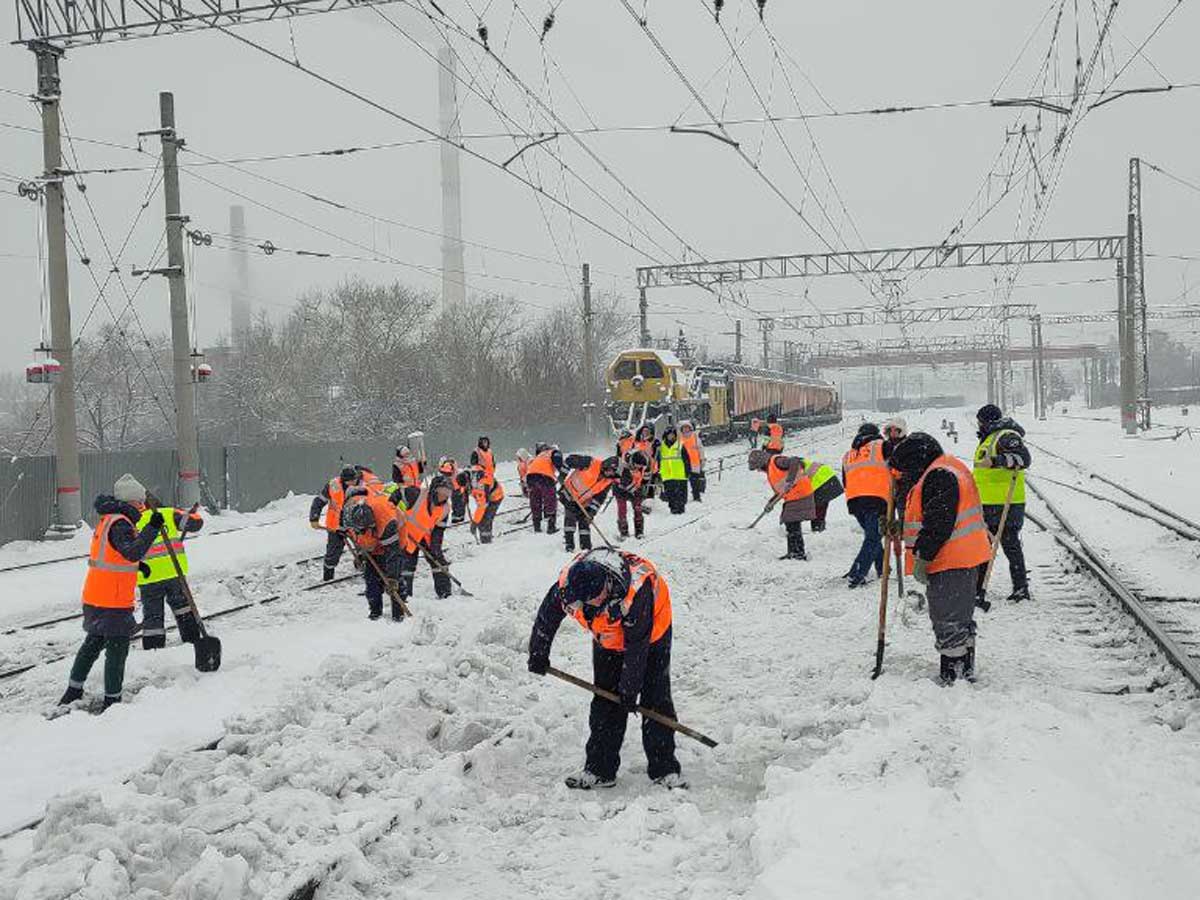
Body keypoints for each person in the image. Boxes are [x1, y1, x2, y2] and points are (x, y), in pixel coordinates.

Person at [527, 548, 685, 790]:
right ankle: (600, 769)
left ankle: (664, 769)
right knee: (605, 698)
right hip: (608, 638)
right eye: (584, 601)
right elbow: (548, 614)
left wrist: (629, 691)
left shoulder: (636, 592)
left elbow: (637, 649)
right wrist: (538, 651)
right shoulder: (569, 586)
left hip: (651, 634)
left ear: (607, 585)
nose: (589, 604)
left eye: (594, 598)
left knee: (655, 697)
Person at [889, 433, 992, 684]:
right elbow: (927, 517)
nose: (904, 477)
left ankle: (954, 676)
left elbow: (938, 523)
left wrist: (923, 557)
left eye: (905, 471)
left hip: (952, 559)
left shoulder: (938, 476)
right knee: (958, 617)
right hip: (964, 556)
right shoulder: (944, 468)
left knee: (948, 619)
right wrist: (899, 528)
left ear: (915, 462)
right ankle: (963, 668)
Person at [59, 474, 164, 711]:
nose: (143, 505)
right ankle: (112, 701)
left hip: (96, 595)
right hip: (113, 600)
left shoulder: (109, 519)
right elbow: (132, 551)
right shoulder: (121, 523)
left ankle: (73, 690)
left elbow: (114, 556)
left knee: (93, 643)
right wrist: (152, 529)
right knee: (117, 650)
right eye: (139, 501)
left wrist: (138, 566)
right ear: (130, 502)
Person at [973, 403, 1032, 603]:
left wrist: (996, 461)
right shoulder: (990, 437)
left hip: (1006, 502)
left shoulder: (1006, 435)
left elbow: (1024, 459)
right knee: (984, 544)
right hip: (989, 502)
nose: (978, 425)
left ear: (986, 421)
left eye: (980, 421)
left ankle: (1020, 588)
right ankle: (979, 586)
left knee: (1008, 544)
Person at [136, 500, 204, 650]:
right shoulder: (167, 513)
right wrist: (190, 515)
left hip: (148, 577)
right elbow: (197, 523)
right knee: (182, 608)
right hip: (173, 572)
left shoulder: (128, 522)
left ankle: (153, 648)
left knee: (153, 615)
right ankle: (192, 639)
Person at [341, 487, 405, 620]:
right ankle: (375, 613)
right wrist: (361, 553)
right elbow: (358, 536)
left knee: (394, 581)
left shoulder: (386, 520)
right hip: (375, 539)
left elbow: (393, 553)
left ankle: (398, 614)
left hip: (395, 540)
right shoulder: (351, 512)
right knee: (371, 580)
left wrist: (392, 578)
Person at [841, 423, 890, 588]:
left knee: (873, 536)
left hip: (854, 501)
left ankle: (883, 568)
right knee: (873, 537)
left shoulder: (848, 454)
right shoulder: (881, 446)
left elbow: (845, 480)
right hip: (877, 498)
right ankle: (857, 573)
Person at [749, 449, 814, 560]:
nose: (758, 470)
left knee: (791, 522)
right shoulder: (771, 470)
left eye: (757, 467)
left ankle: (797, 553)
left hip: (800, 492)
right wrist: (770, 503)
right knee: (791, 523)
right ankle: (795, 552)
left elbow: (794, 461)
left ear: (762, 462)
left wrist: (790, 480)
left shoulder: (777, 461)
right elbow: (781, 490)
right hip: (793, 495)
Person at [398, 475, 454, 601]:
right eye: (442, 492)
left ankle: (444, 592)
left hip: (427, 537)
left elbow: (439, 530)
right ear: (434, 490)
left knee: (438, 561)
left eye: (448, 493)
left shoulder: (445, 508)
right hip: (408, 535)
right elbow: (395, 500)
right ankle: (404, 595)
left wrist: (435, 548)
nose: (445, 496)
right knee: (407, 565)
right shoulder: (417, 495)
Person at [309, 465, 361, 581]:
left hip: (355, 524)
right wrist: (314, 518)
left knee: (364, 547)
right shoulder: (333, 486)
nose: (354, 482)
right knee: (332, 554)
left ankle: (362, 565)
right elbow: (319, 501)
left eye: (355, 479)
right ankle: (328, 578)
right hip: (335, 526)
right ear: (344, 480)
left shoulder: (361, 486)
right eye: (351, 480)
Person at [560, 453, 620, 551]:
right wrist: (562, 475)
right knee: (570, 519)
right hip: (569, 493)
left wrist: (591, 512)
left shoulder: (608, 481)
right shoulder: (590, 462)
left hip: (584, 501)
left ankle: (586, 547)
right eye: (611, 471)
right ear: (607, 465)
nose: (611, 474)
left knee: (584, 521)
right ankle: (569, 546)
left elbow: (599, 498)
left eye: (613, 473)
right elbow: (569, 460)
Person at [526, 442, 564, 534]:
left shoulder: (540, 455)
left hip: (531, 477)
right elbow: (560, 466)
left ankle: (537, 527)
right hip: (544, 477)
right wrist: (563, 478)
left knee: (535, 501)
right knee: (550, 501)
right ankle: (551, 527)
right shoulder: (554, 452)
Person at [615, 449, 650, 540]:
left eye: (642, 466)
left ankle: (639, 531)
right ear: (634, 462)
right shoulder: (624, 467)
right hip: (620, 489)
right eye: (639, 465)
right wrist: (636, 491)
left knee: (638, 509)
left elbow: (646, 477)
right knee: (622, 510)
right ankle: (624, 532)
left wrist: (643, 487)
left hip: (635, 488)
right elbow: (625, 482)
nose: (640, 467)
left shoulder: (643, 466)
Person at [657, 425, 691, 515]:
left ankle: (681, 508)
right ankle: (673, 509)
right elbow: (658, 460)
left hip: (680, 474)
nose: (671, 436)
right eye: (669, 434)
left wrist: (688, 471)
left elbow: (686, 459)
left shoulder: (680, 445)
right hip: (667, 475)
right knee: (670, 493)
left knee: (681, 494)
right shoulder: (661, 447)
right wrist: (659, 472)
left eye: (673, 434)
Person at [805, 456, 844, 532]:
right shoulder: (796, 462)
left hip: (822, 482)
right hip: (829, 478)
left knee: (818, 507)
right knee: (820, 507)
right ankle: (819, 528)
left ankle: (818, 529)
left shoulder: (792, 468)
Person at [469, 465, 505, 544]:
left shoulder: (482, 485)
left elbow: (482, 506)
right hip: (487, 496)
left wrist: (474, 522)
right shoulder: (474, 476)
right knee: (482, 518)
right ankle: (485, 536)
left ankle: (486, 540)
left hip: (496, 497)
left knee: (485, 520)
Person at [679, 421, 706, 502]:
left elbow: (701, 449)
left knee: (695, 482)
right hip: (683, 463)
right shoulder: (679, 438)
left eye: (687, 427)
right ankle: (683, 497)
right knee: (683, 482)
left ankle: (696, 496)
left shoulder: (695, 437)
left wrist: (702, 459)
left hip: (694, 463)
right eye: (684, 428)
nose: (686, 429)